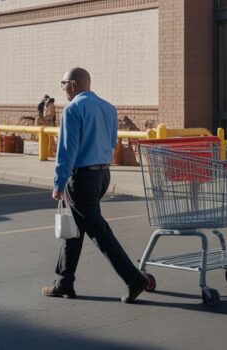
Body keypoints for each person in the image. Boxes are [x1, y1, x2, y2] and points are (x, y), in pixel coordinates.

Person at [42, 67, 149, 303]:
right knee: (74, 230)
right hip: (101, 175)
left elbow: (67, 151)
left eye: (63, 83)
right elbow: (112, 144)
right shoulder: (108, 108)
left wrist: (59, 183)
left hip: (82, 178)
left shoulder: (73, 108)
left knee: (98, 232)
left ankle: (133, 279)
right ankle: (64, 282)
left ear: (73, 84)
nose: (61, 88)